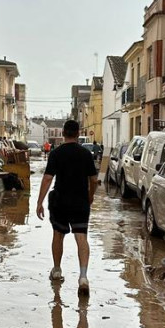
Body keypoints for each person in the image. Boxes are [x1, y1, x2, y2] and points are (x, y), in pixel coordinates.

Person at [36, 120, 98, 295]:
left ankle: (56, 270)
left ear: (63, 133)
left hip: (60, 201)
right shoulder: (86, 154)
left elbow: (48, 178)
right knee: (81, 238)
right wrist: (90, 195)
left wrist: (39, 202)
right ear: (78, 134)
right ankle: (83, 277)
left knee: (58, 235)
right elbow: (93, 180)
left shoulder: (56, 153)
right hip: (80, 202)